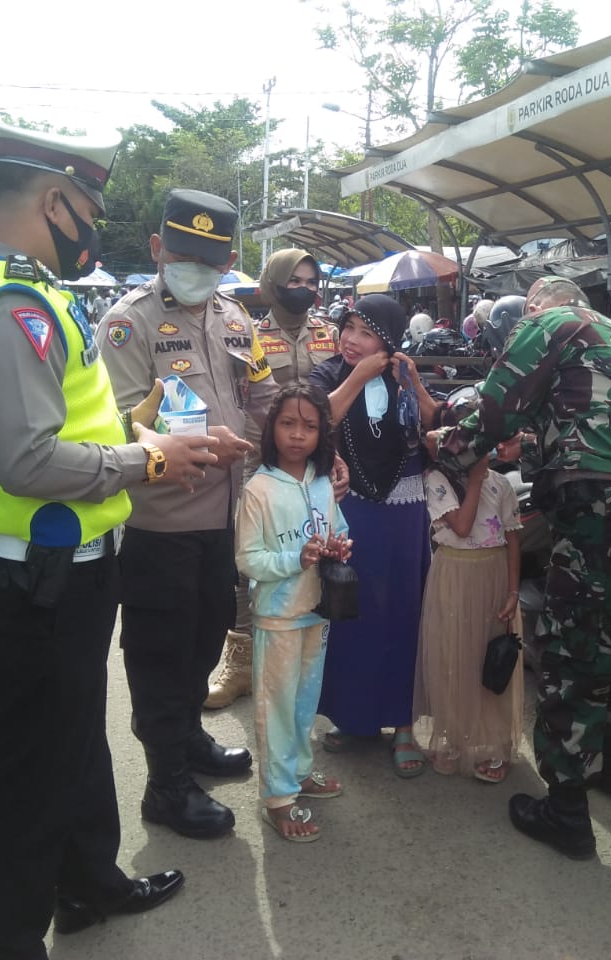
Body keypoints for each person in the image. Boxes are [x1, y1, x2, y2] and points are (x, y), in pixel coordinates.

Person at [0, 118, 210, 959]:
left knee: (73, 733)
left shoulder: (0, 293)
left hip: (53, 568)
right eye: (90, 206)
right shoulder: (13, 306)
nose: (94, 226)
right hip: (41, 576)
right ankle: (6, 941)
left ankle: (91, 876)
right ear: (56, 202)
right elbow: (23, 459)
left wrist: (137, 429)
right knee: (28, 772)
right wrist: (147, 458)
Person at [429, 276, 611, 858]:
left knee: (577, 651)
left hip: (608, 507)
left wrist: (447, 446)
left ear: (533, 308)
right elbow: (605, 427)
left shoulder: (549, 324)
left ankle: (566, 810)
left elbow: (495, 409)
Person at [99, 189, 278, 840]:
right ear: (156, 250)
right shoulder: (129, 321)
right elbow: (124, 418)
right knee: (161, 654)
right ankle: (164, 784)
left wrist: (291, 442)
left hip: (226, 518)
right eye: (180, 255)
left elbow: (260, 392)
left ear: (229, 260)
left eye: (209, 260)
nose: (194, 269)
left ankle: (190, 740)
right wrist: (206, 443)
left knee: (206, 637)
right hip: (164, 522)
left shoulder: (236, 317)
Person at [309, 293, 438, 776]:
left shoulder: (404, 373)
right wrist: (360, 375)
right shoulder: (328, 374)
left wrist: (415, 384)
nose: (350, 339)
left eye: (365, 332)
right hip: (352, 509)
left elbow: (435, 425)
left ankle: (403, 723)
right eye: (347, 328)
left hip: (404, 509)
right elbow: (315, 420)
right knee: (350, 607)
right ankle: (354, 716)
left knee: (403, 608)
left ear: (387, 339)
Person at [207, 247, 340, 710]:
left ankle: (307, 650)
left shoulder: (330, 333)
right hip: (259, 460)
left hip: (314, 464)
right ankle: (242, 662)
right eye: (295, 280)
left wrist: (334, 458)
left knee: (314, 549)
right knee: (250, 560)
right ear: (273, 282)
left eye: (310, 281)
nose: (303, 289)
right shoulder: (246, 333)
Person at [235, 383, 352, 842]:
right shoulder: (258, 490)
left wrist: (340, 547)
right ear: (272, 429)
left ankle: (301, 772)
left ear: (321, 433)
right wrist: (294, 559)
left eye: (309, 426)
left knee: (305, 704)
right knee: (275, 708)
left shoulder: (322, 483)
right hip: (277, 618)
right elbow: (248, 560)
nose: (298, 435)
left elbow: (338, 526)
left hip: (316, 613)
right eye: (288, 423)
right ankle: (278, 798)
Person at [414, 407, 525, 783]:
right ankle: (454, 738)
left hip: (493, 576)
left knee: (491, 658)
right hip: (453, 573)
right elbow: (461, 527)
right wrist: (475, 480)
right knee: (454, 655)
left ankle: (496, 744)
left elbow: (512, 538)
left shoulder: (502, 484)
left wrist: (512, 589)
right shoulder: (435, 481)